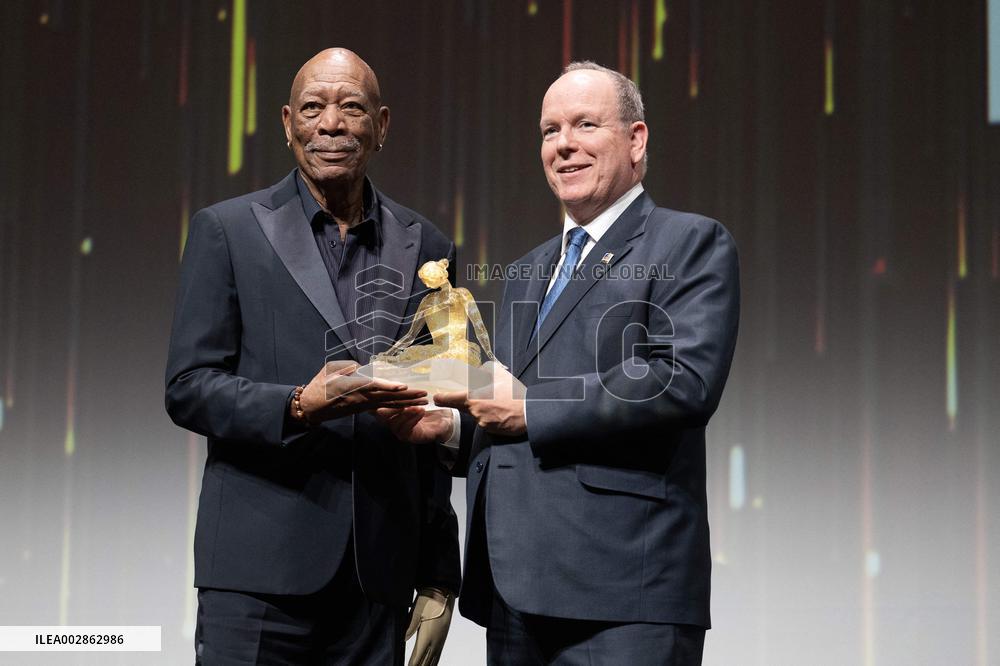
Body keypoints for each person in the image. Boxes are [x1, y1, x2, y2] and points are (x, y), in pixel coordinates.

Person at [381, 61, 740, 664]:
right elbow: (510, 414)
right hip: (516, 597)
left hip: (625, 598)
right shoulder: (526, 270)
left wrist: (528, 408)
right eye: (550, 130)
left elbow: (681, 381)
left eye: (584, 124)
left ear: (636, 139)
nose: (564, 144)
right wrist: (448, 429)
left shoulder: (689, 243)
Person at [165, 48, 460, 665]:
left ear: (381, 126)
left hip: (378, 583)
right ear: (286, 122)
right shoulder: (227, 231)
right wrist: (299, 405)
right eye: (313, 108)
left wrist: (439, 572)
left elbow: (437, 409)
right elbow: (189, 386)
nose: (331, 124)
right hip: (257, 579)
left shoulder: (428, 244)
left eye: (352, 108)